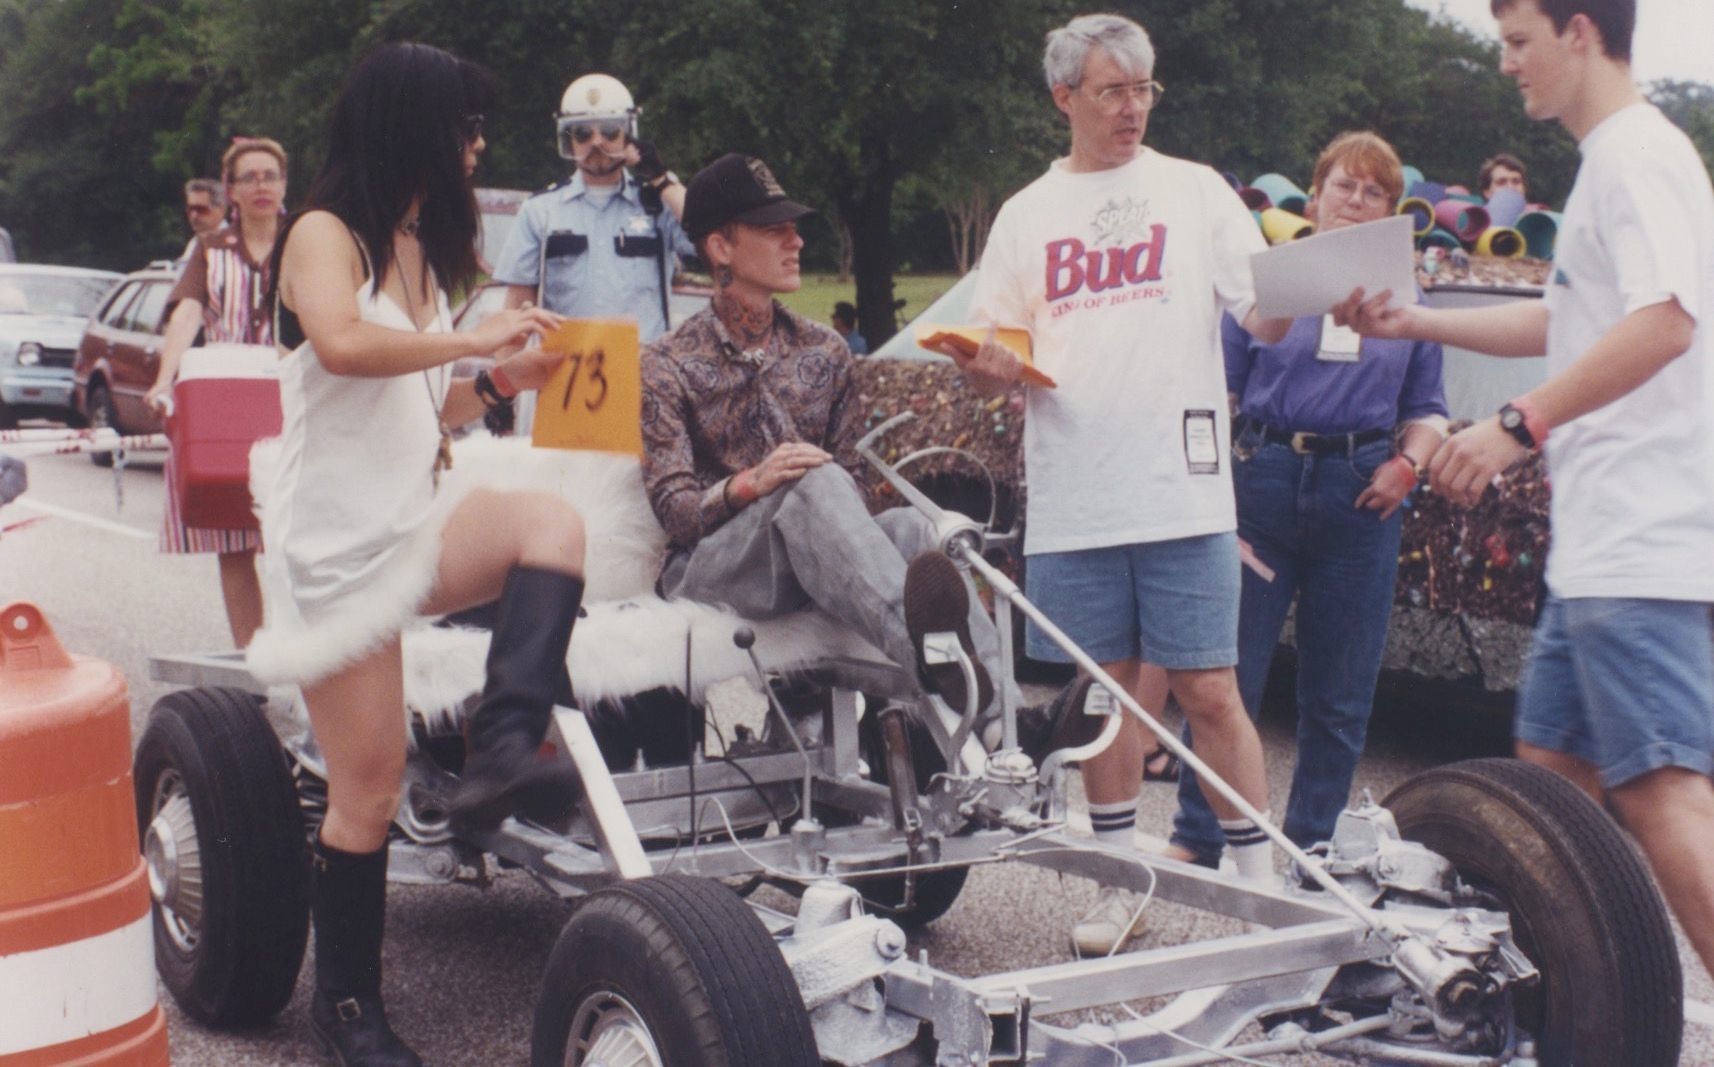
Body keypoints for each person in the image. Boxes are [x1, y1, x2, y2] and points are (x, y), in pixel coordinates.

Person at [1337, 0, 1714, 979]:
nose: (1506, 64)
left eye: (1517, 42)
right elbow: (1565, 318)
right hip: (1597, 552)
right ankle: (1580, 1021)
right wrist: (1416, 318)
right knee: (1549, 791)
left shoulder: (1637, 156)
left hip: (1641, 541)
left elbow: (1667, 322)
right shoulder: (1609, 162)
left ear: (1579, 30)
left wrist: (1516, 425)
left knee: (1663, 793)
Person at [248, 42, 578, 1064]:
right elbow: (344, 346)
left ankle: (502, 756)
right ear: (415, 128)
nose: (477, 147)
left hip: (413, 519)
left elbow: (425, 408)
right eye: (466, 128)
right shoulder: (323, 233)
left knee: (550, 524)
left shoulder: (416, 250)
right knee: (369, 789)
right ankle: (346, 1006)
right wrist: (474, 340)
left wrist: (504, 379)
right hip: (338, 547)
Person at [948, 12, 1294, 956]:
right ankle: (1118, 886)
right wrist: (987, 367)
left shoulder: (1194, 189)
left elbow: (1263, 317)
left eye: (1144, 89)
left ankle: (1264, 891)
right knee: (1102, 696)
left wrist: (1323, 288)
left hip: (1183, 490)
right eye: (1112, 91)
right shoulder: (1026, 214)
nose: (1132, 108)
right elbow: (992, 359)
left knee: (1210, 689)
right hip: (1077, 495)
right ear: (1064, 97)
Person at [641, 152, 1077, 758]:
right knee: (810, 483)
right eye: (773, 229)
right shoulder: (665, 362)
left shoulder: (826, 351)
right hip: (712, 570)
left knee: (915, 529)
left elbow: (854, 490)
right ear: (720, 247)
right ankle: (939, 663)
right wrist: (753, 483)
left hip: (807, 562)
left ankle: (1007, 726)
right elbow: (676, 512)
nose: (797, 241)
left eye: (794, 227)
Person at [1167, 131, 1448, 872]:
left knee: (1339, 690)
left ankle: (1314, 849)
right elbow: (1217, 395)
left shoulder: (1409, 300)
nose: (1356, 201)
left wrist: (1408, 466)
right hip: (1262, 482)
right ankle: (1198, 835)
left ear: (1391, 209)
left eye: (1374, 191)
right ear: (1316, 194)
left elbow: (1428, 408)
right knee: (1227, 673)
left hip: (1360, 494)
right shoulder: (1265, 285)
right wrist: (1214, 497)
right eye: (1344, 186)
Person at [144, 137, 289, 649]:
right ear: (230, 190)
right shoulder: (209, 249)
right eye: (249, 177)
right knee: (233, 537)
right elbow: (187, 313)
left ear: (284, 184)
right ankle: (253, 657)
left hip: (292, 395)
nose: (261, 186)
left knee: (296, 536)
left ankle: (302, 656)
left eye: (270, 175)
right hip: (228, 398)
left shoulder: (305, 239)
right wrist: (165, 379)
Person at [491, 71, 693, 433]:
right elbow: (517, 308)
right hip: (564, 382)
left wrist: (662, 179)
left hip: (645, 381)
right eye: (582, 133)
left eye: (610, 131)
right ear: (568, 138)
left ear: (629, 134)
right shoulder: (541, 210)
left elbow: (710, 237)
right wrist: (501, 389)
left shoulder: (657, 202)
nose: (596, 142)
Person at [179, 177, 228, 263]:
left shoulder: (231, 245)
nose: (194, 215)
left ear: (221, 210)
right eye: (190, 209)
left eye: (201, 209)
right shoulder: (194, 243)